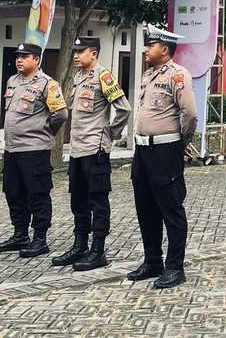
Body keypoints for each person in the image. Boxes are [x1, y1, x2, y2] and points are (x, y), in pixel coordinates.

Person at [48, 36, 131, 270]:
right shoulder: (78, 77)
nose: (75, 55)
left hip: (95, 149)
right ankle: (80, 245)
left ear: (93, 53)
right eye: (74, 51)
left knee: (98, 201)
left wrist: (110, 134)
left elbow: (124, 109)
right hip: (77, 150)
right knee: (78, 200)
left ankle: (97, 250)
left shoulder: (104, 77)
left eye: (80, 51)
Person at [126, 25, 198, 289]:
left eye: (151, 45)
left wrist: (182, 142)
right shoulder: (148, 75)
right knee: (145, 208)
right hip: (143, 150)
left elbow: (190, 114)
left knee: (171, 209)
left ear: (164, 49)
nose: (147, 49)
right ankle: (152, 261)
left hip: (165, 151)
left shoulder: (178, 75)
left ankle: (175, 267)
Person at [0, 42, 68, 258]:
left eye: (24, 56)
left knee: (37, 194)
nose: (19, 60)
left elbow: (61, 114)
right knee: (13, 192)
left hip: (35, 150)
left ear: (36, 60)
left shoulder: (47, 84)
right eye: (18, 56)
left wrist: (43, 131)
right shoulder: (12, 81)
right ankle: (20, 235)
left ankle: (40, 239)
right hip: (12, 149)